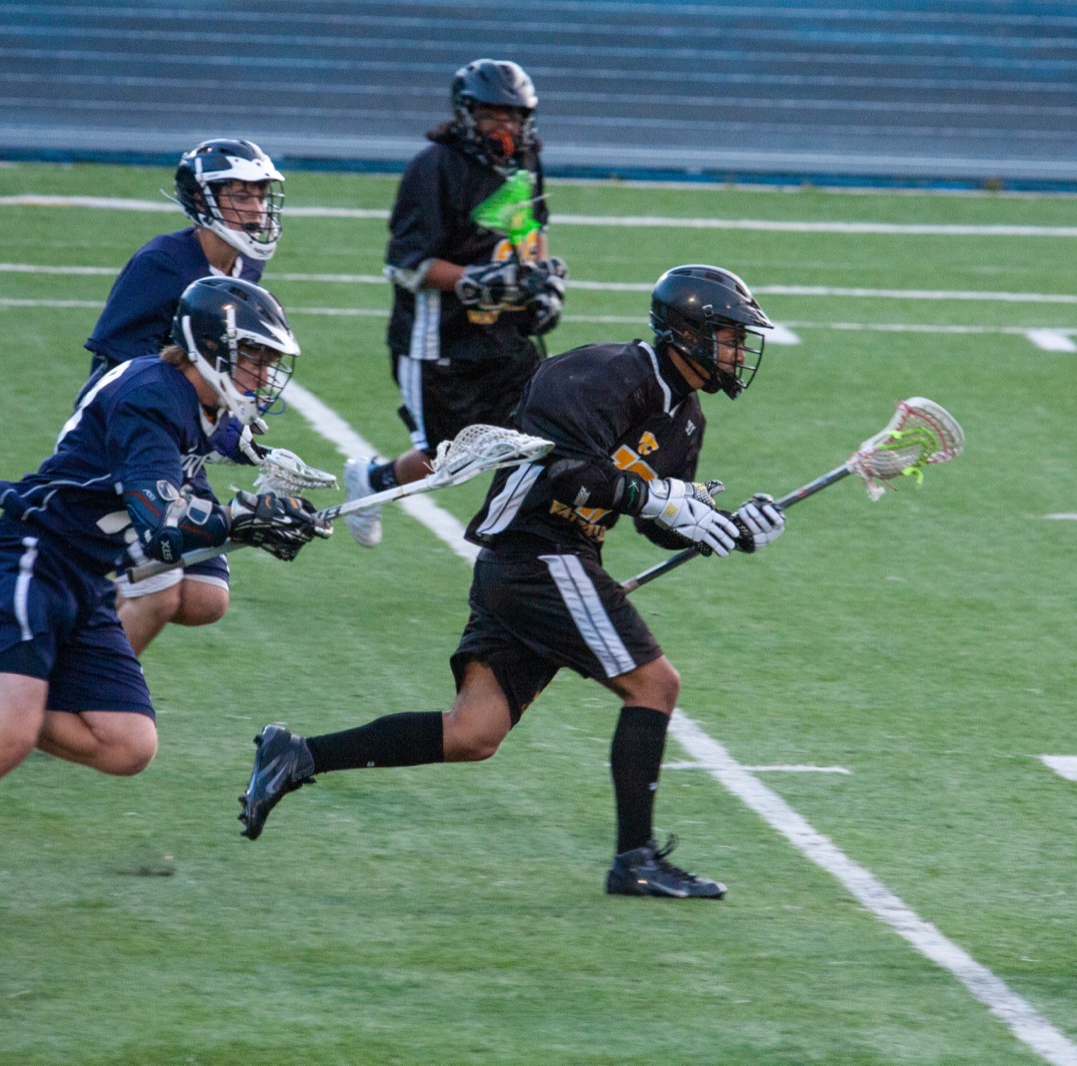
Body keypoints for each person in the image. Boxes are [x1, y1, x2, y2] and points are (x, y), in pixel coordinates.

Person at [237, 265, 786, 901]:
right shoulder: (604, 373)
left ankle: (297, 754)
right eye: (729, 337)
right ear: (689, 332)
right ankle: (633, 859)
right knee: (655, 684)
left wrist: (729, 527)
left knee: (473, 732)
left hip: (550, 559)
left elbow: (658, 522)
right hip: (537, 552)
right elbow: (564, 472)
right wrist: (660, 500)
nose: (739, 352)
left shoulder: (685, 418)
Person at [0, 277, 329, 923]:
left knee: (128, 744)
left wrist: (273, 501)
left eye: (268, 360)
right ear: (207, 347)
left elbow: (213, 445)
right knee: (10, 738)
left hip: (86, 579)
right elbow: (163, 526)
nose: (263, 373)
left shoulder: (191, 395)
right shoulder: (152, 396)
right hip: (32, 558)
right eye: (253, 356)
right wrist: (242, 518)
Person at [341, 58, 567, 549]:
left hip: (503, 335)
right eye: (492, 114)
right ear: (466, 113)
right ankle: (375, 481)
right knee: (451, 458)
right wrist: (475, 280)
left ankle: (530, 544)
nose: (504, 126)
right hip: (439, 339)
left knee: (543, 432)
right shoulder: (435, 167)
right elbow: (407, 265)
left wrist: (537, 284)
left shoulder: (523, 160)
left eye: (513, 116)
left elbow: (530, 228)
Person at [84, 138, 287, 655]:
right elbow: (120, 370)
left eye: (260, 195)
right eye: (239, 195)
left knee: (206, 597)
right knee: (161, 589)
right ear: (202, 199)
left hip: (184, 439)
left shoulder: (244, 267)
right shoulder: (161, 263)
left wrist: (232, 416)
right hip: (133, 438)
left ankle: (82, 639)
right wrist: (220, 427)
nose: (255, 208)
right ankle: (91, 688)